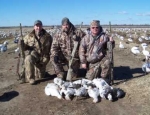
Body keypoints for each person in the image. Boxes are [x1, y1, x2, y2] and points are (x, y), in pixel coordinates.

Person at [19, 20, 53, 85]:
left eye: (40, 25)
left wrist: (48, 58)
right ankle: (31, 78)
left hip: (43, 59)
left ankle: (42, 72)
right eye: (37, 26)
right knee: (28, 58)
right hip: (34, 56)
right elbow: (24, 48)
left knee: (41, 77)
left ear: (42, 26)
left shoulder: (48, 37)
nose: (38, 27)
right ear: (34, 27)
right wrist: (22, 44)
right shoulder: (28, 37)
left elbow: (52, 48)